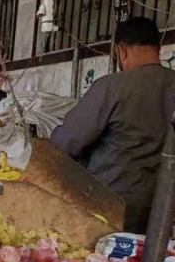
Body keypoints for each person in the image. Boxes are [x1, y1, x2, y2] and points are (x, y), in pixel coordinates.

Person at [50, 17, 175, 234]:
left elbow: (66, 143)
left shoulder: (112, 87)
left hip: (112, 206)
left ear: (121, 51)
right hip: (165, 210)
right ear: (159, 48)